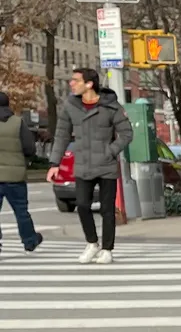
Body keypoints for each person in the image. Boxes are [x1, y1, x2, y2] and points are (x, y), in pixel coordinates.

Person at [46, 67, 133, 266]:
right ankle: (92, 242)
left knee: (107, 210)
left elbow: (127, 134)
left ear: (89, 84)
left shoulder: (111, 106)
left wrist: (109, 151)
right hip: (83, 164)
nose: (71, 83)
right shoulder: (71, 106)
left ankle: (107, 249)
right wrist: (54, 163)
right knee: (83, 206)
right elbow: (61, 135)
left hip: (106, 165)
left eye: (75, 80)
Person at [0, 91, 42, 254]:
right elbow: (29, 148)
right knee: (21, 210)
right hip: (15, 175)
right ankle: (29, 240)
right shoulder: (18, 122)